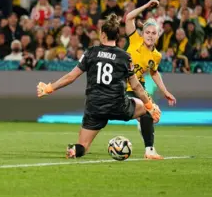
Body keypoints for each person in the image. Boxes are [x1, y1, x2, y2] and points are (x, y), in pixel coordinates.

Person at [36, 14, 161, 159]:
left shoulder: (91, 52)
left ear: (102, 34)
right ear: (117, 37)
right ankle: (150, 151)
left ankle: (73, 150)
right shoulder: (125, 57)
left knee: (83, 146)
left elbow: (71, 77)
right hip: (118, 105)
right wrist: (150, 105)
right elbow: (136, 86)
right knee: (145, 111)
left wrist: (49, 88)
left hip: (94, 107)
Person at [124, 0, 177, 159]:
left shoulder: (156, 55)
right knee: (146, 113)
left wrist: (165, 91)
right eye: (148, 32)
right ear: (143, 33)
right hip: (120, 85)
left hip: (138, 87)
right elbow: (128, 18)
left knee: (150, 114)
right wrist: (146, 6)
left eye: (154, 33)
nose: (150, 36)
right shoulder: (135, 40)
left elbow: (154, 73)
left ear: (158, 35)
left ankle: (149, 150)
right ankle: (148, 146)